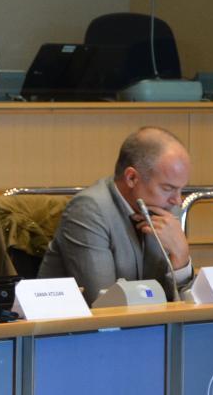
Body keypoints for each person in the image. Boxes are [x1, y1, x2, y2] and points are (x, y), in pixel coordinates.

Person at [38, 126, 195, 300]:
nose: (178, 200)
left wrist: (181, 258)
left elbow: (189, 303)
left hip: (145, 317)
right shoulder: (89, 210)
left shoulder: (165, 211)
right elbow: (104, 302)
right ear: (131, 178)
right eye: (168, 188)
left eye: (181, 189)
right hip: (69, 318)